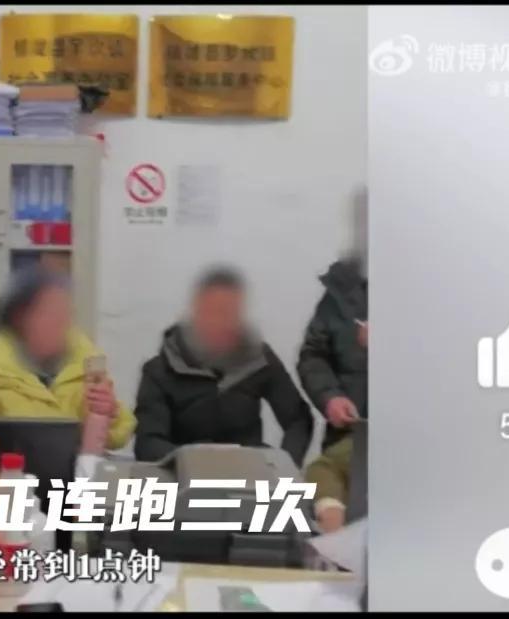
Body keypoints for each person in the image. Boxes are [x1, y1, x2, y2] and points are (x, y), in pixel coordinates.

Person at [133, 266, 314, 466]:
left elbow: (298, 419)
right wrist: (201, 463)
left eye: (230, 313)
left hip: (248, 470)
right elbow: (147, 442)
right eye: (214, 312)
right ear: (196, 313)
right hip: (182, 473)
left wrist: (283, 465)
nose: (222, 323)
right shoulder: (159, 370)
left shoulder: (260, 359)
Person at [0, 267, 136, 450]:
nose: (60, 323)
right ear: (20, 318)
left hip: (78, 466)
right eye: (49, 313)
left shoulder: (86, 362)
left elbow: (118, 438)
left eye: (65, 313)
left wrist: (109, 413)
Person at [298, 188, 368, 532]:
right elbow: (313, 355)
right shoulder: (342, 290)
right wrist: (331, 398)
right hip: (353, 437)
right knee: (322, 474)